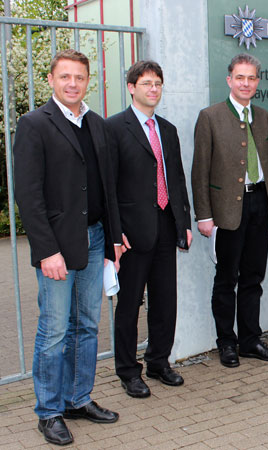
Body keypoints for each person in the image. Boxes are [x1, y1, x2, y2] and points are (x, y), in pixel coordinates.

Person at [14, 49, 122, 446]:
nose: (73, 83)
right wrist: (46, 251)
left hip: (94, 239)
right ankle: (49, 411)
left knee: (87, 326)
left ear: (88, 80)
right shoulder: (34, 124)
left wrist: (113, 237)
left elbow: (107, 187)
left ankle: (78, 398)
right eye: (65, 77)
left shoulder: (96, 124)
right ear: (51, 80)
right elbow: (28, 195)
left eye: (79, 77)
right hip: (58, 245)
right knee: (55, 331)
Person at [106, 61, 192, 398]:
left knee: (164, 300)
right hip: (132, 232)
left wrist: (182, 222)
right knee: (129, 305)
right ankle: (128, 372)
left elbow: (177, 180)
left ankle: (159, 361)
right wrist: (115, 232)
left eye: (157, 83)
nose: (153, 89)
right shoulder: (114, 128)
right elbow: (108, 187)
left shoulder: (167, 130)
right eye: (146, 83)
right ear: (131, 87)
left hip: (166, 226)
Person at [192, 53, 268, 367]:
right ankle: (226, 343)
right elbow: (199, 169)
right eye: (240, 77)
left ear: (257, 82)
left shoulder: (264, 116)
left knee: (253, 278)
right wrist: (204, 214)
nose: (246, 83)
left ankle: (250, 340)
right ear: (229, 80)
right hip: (227, 210)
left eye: (251, 78)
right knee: (226, 278)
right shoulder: (210, 116)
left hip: (259, 205)